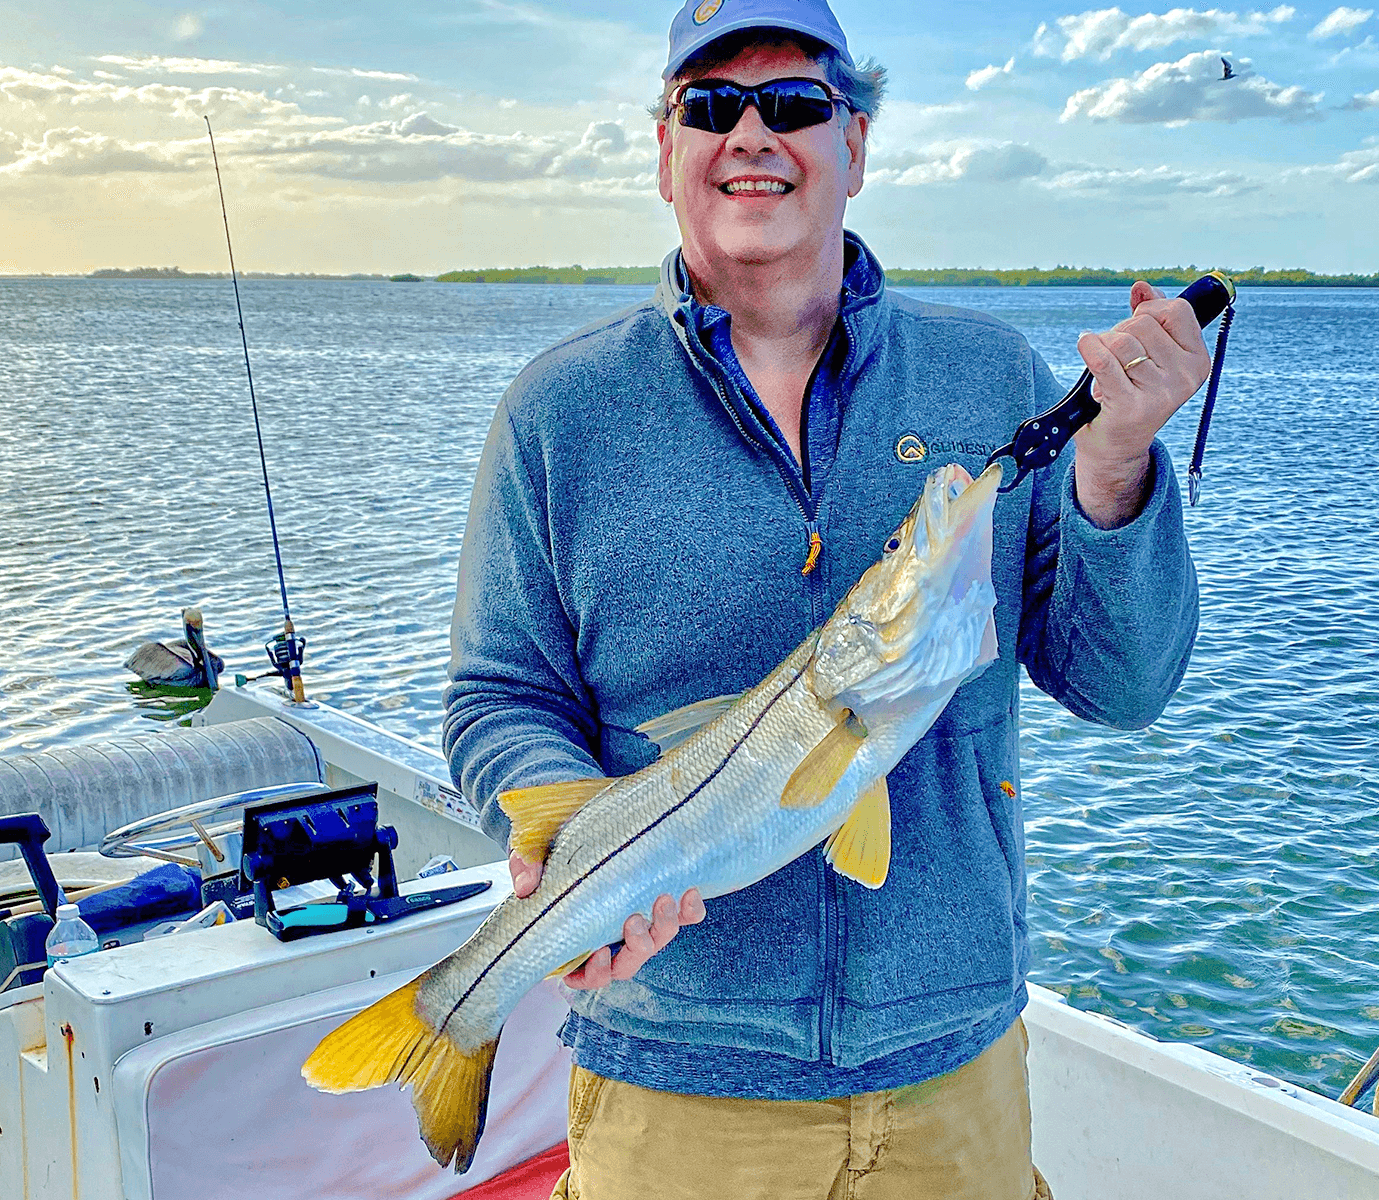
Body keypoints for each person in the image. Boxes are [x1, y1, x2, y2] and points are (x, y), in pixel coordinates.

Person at [443, 1, 1207, 1195]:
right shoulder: (560, 411)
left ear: (856, 145)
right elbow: (500, 695)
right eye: (711, 106)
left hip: (954, 1075)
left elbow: (1123, 687)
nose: (752, 133)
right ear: (665, 155)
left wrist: (1115, 467)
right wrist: (566, 844)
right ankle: (450, 1024)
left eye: (794, 103)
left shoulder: (991, 374)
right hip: (674, 1086)